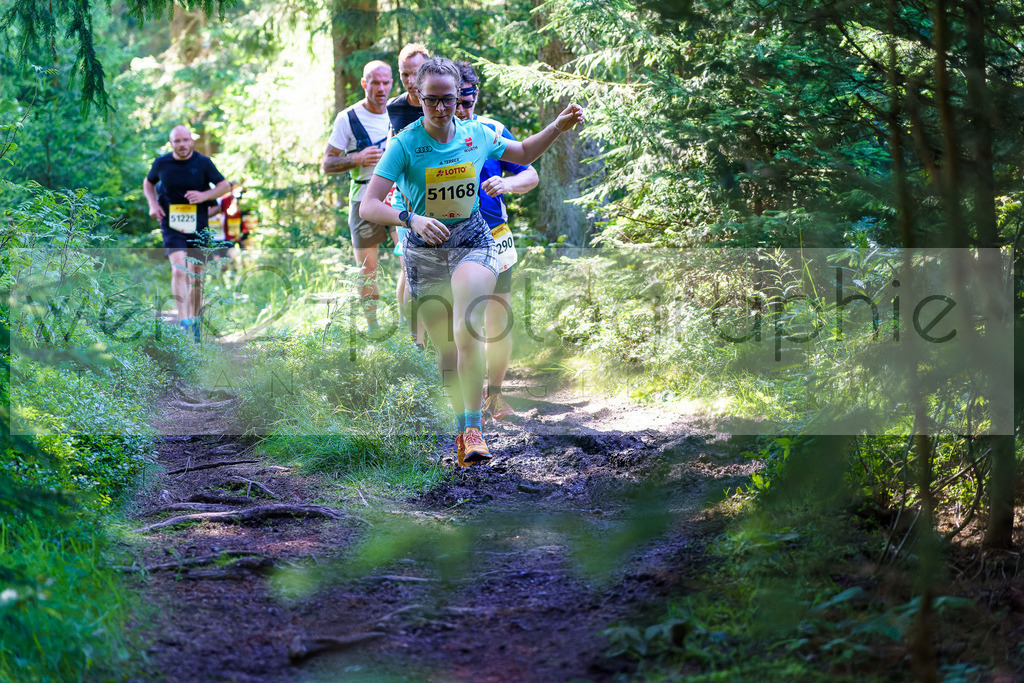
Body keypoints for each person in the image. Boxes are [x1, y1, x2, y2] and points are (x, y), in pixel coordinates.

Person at [360, 56, 584, 467]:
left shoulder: (476, 134)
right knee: (446, 349)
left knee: (469, 325)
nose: (442, 109)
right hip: (425, 250)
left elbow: (523, 153)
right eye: (432, 101)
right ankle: (460, 425)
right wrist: (412, 218)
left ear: (460, 96)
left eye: (450, 100)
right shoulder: (405, 143)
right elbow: (369, 206)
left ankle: (473, 429)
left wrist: (555, 127)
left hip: (474, 241)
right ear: (419, 97)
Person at [455, 61, 539, 424]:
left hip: (494, 232)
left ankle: (497, 395)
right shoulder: (428, 135)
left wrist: (508, 184)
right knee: (455, 320)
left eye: (467, 102)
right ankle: (457, 401)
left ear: (477, 96)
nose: (460, 110)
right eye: (453, 102)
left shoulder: (492, 130)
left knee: (497, 316)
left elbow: (530, 172)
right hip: (450, 238)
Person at [321, 60, 396, 331]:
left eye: (386, 82)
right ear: (365, 84)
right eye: (375, 82)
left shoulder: (398, 112)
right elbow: (327, 164)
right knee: (367, 270)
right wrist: (357, 158)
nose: (381, 88)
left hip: (399, 197)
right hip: (363, 199)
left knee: (410, 259)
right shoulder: (347, 118)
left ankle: (414, 329)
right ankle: (374, 328)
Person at [143, 125, 230, 341]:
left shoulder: (203, 163)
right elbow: (148, 182)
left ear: (192, 141)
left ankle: (195, 318)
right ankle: (184, 323)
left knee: (197, 276)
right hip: (171, 224)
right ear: (171, 143)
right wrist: (153, 204)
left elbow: (224, 185)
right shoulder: (161, 163)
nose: (182, 145)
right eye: (177, 141)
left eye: (185, 140)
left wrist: (204, 195)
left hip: (198, 225)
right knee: (179, 270)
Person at [387, 43, 430, 346]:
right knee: (409, 265)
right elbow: (392, 148)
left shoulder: (442, 98)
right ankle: (413, 341)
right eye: (404, 75)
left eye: (416, 73)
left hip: (440, 193)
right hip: (405, 198)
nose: (411, 81)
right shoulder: (395, 107)